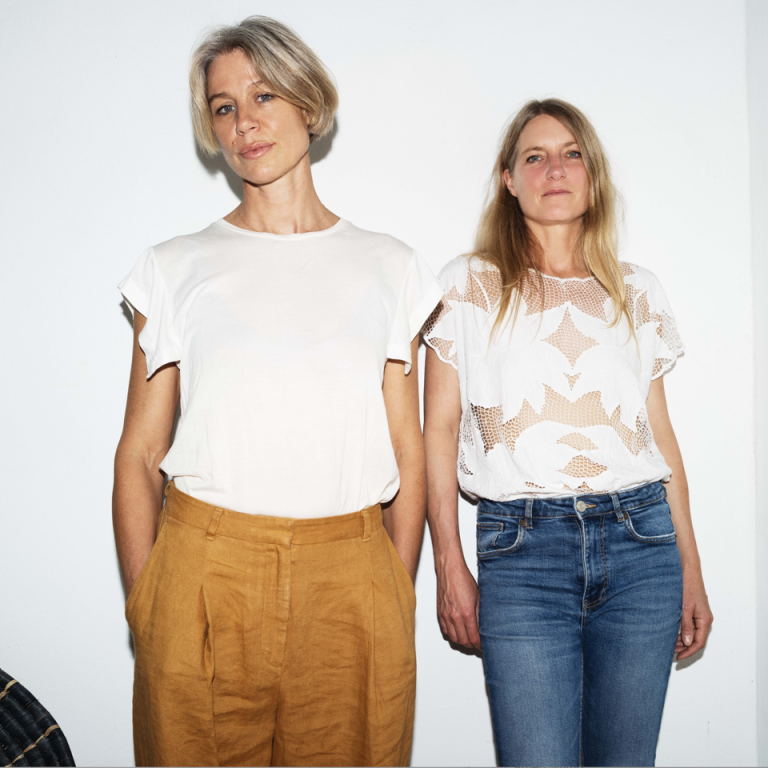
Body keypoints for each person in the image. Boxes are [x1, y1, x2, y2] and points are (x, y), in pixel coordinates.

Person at [113, 16, 442, 767]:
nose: (244, 122)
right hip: (204, 570)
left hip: (350, 581)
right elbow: (137, 454)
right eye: (224, 107)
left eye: (263, 94)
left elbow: (408, 448)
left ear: (309, 104)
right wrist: (150, 602)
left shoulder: (389, 265)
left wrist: (393, 587)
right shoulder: (173, 268)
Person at [422, 99, 713, 767]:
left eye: (571, 153)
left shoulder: (636, 291)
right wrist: (447, 565)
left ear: (593, 175)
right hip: (521, 554)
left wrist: (691, 569)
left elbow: (659, 437)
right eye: (535, 156)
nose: (555, 168)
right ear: (508, 179)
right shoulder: (467, 287)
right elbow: (438, 431)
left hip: (642, 547)